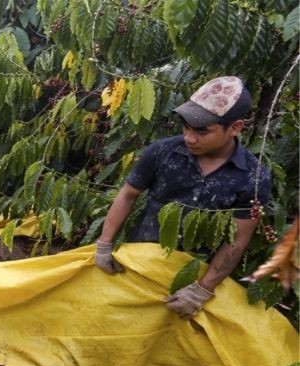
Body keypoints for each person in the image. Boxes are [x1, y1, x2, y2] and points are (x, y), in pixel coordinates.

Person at [94, 76, 272, 318]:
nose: (189, 137)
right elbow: (128, 195)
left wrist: (202, 289)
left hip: (190, 277)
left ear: (235, 128)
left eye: (201, 131)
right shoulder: (162, 152)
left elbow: (238, 239)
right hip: (139, 263)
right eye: (185, 127)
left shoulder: (253, 177)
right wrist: (104, 244)